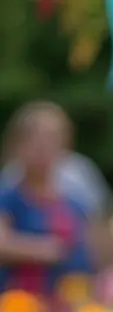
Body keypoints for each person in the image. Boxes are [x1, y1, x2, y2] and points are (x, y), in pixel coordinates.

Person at [0, 102, 95, 300]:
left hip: (67, 306)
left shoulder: (75, 202)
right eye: (34, 140)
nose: (43, 148)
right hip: (16, 307)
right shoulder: (8, 197)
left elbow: (93, 254)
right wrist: (44, 250)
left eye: (51, 140)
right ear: (17, 145)